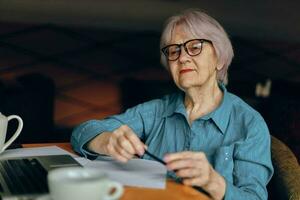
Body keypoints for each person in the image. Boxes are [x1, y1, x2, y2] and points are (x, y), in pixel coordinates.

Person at [71, 9, 273, 200]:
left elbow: (254, 197)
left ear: (219, 59)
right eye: (174, 51)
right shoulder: (157, 111)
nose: (182, 57)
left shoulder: (250, 124)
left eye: (194, 47)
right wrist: (106, 141)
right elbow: (83, 131)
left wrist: (214, 182)